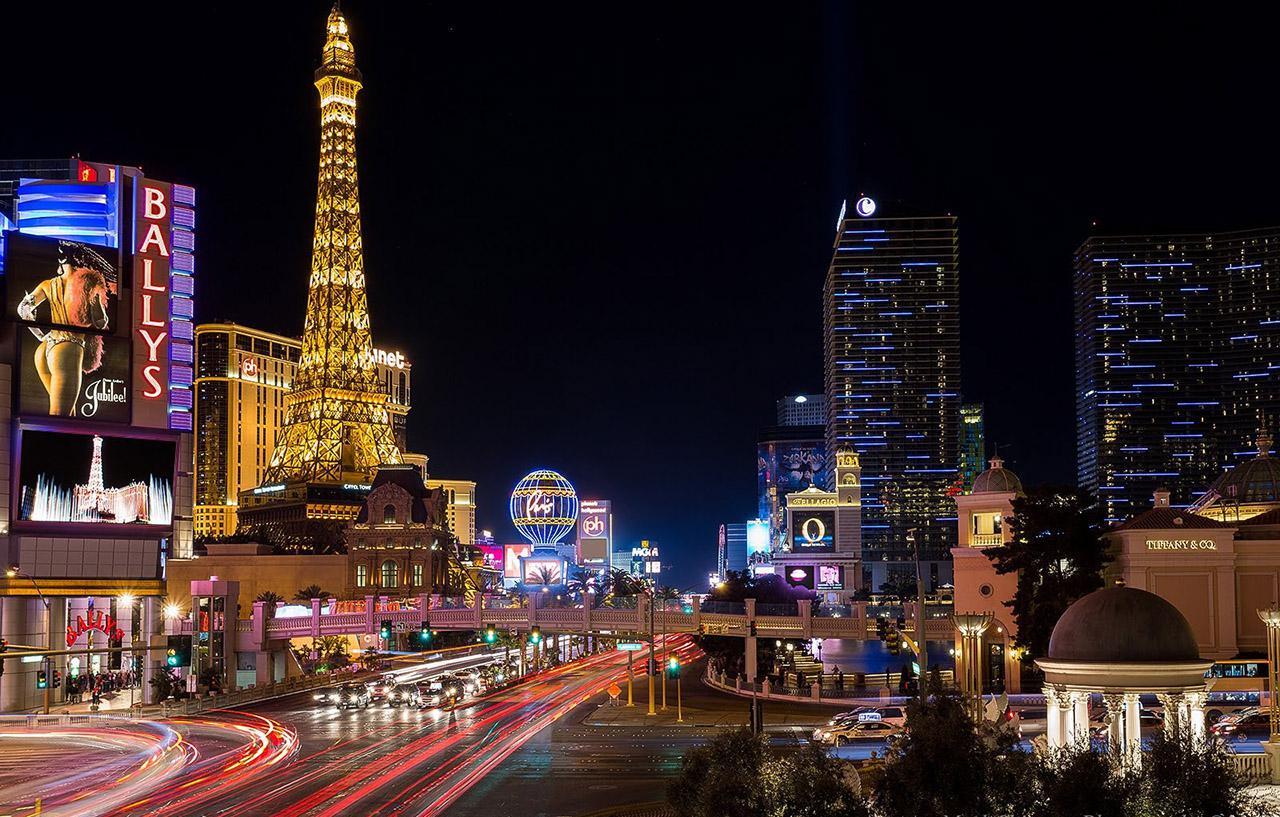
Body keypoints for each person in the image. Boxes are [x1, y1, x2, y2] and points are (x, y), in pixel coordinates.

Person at [16, 242, 115, 416]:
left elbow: (23, 308)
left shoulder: (47, 284)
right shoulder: (88, 283)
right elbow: (100, 322)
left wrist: (41, 336)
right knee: (59, 415)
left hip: (45, 351)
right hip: (68, 349)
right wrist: (96, 302)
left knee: (68, 414)